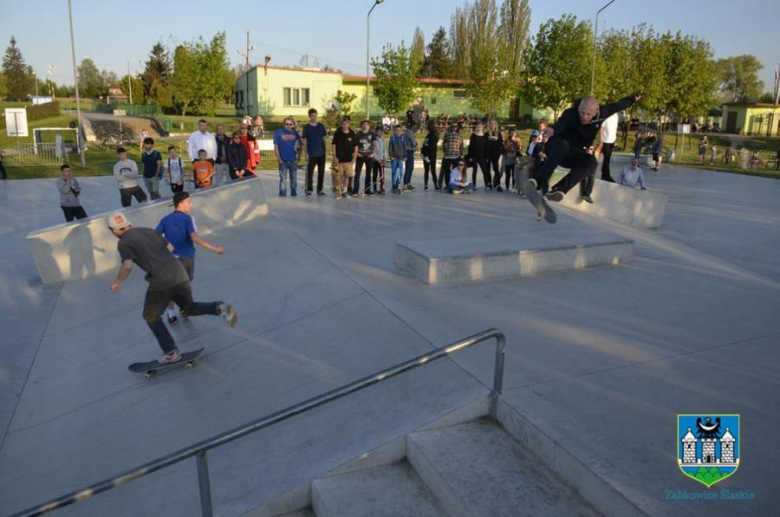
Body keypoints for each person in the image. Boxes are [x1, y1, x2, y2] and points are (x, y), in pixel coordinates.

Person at [107, 211, 236, 364]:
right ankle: (219, 307)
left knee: (151, 316)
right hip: (179, 270)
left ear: (113, 230)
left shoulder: (123, 243)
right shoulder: (148, 230)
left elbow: (127, 266)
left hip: (161, 279)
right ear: (128, 223)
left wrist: (117, 282)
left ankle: (170, 352)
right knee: (188, 308)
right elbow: (170, 247)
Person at [531, 94, 640, 204]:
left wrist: (633, 98)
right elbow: (561, 124)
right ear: (578, 108)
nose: (584, 117)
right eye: (582, 112)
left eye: (588, 114)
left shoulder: (603, 112)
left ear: (596, 111)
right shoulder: (571, 113)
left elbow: (619, 105)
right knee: (563, 144)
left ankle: (559, 189)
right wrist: (552, 130)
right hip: (556, 149)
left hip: (574, 155)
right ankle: (540, 180)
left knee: (591, 162)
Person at [156, 191, 225, 325]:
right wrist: (214, 248)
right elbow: (194, 237)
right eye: (189, 202)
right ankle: (185, 308)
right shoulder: (188, 219)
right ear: (180, 204)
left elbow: (155, 236)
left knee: (171, 286)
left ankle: (171, 313)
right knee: (185, 285)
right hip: (185, 258)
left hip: (169, 259)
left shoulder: (165, 219)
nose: (191, 205)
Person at [273, 117, 302, 197]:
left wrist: (298, 158)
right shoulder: (278, 132)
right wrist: (279, 159)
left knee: (294, 180)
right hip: (283, 161)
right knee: (283, 180)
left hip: (293, 161)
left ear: (292, 125)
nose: (288, 126)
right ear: (284, 124)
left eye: (290, 124)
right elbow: (276, 147)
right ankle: (282, 196)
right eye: (287, 124)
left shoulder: (295, 133)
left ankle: (294, 195)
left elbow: (300, 146)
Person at [302, 108, 327, 196]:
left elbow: (323, 138)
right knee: (310, 173)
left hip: (321, 153)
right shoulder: (306, 127)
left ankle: (320, 189)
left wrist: (325, 150)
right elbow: (305, 141)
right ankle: (309, 189)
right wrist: (306, 154)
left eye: (315, 115)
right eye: (312, 116)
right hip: (311, 154)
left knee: (321, 172)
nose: (314, 117)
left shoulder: (321, 126)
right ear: (309, 116)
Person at [331, 116, 358, 199]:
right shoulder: (338, 133)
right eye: (343, 124)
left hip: (349, 160)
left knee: (347, 176)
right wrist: (334, 156)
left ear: (349, 124)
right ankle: (337, 193)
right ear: (341, 124)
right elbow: (334, 145)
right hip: (339, 160)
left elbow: (356, 146)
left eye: (346, 123)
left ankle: (344, 192)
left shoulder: (352, 133)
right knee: (337, 177)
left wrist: (354, 158)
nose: (345, 125)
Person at [354, 120, 376, 196]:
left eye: (367, 124)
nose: (365, 125)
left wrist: (373, 153)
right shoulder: (358, 134)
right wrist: (357, 153)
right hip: (360, 156)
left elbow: (374, 144)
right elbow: (354, 145)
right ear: (361, 125)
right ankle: (355, 190)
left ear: (369, 125)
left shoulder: (372, 134)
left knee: (368, 174)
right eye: (364, 124)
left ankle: (368, 190)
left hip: (369, 156)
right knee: (357, 174)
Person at [440, 122, 464, 188]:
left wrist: (461, 153)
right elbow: (444, 143)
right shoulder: (447, 134)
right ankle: (447, 184)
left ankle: (455, 184)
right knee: (447, 171)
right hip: (448, 156)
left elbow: (462, 144)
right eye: (453, 127)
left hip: (456, 156)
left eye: (455, 127)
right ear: (451, 127)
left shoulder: (459, 134)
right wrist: (445, 152)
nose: (454, 128)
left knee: (455, 171)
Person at [468, 121, 490, 189]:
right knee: (475, 171)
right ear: (475, 127)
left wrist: (487, 157)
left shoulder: (485, 136)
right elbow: (470, 146)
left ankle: (486, 185)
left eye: (480, 127)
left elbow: (487, 147)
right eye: (477, 127)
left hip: (482, 156)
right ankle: (474, 185)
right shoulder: (473, 135)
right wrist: (470, 156)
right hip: (474, 156)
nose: (479, 128)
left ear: (482, 127)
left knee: (485, 171)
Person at [599, 113, 618, 182]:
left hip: (612, 140)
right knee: (606, 158)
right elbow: (601, 128)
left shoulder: (616, 115)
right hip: (605, 140)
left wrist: (615, 139)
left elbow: (615, 127)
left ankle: (604, 174)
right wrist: (601, 141)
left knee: (608, 158)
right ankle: (606, 175)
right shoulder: (606, 116)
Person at [486, 119, 504, 191]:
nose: (492, 125)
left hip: (496, 154)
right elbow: (485, 143)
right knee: (488, 170)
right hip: (488, 154)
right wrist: (489, 140)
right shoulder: (487, 133)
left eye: (494, 124)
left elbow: (500, 143)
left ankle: (497, 184)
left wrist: (495, 140)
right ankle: (489, 184)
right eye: (491, 124)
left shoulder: (498, 133)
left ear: (495, 125)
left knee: (496, 169)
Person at [388, 125, 407, 194]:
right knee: (394, 172)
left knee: (401, 173)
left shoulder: (403, 138)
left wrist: (405, 156)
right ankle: (394, 186)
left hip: (401, 158)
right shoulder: (392, 137)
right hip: (394, 158)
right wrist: (390, 156)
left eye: (399, 130)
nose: (398, 132)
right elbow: (390, 147)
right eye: (397, 130)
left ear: (401, 131)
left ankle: (398, 185)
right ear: (394, 131)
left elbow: (405, 147)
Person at [422, 120, 439, 190]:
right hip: (431, 155)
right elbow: (433, 147)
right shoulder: (434, 135)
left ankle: (426, 185)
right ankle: (435, 185)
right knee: (433, 171)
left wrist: (423, 154)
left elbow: (425, 145)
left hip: (426, 155)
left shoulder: (428, 136)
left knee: (426, 171)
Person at [402, 123, 417, 190]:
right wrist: (416, 143)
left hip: (407, 151)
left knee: (410, 168)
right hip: (409, 151)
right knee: (409, 168)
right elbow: (414, 143)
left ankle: (408, 183)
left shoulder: (405, 132)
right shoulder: (410, 132)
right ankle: (406, 183)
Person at [372, 126, 387, 195]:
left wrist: (384, 158)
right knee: (375, 174)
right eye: (379, 131)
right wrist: (376, 159)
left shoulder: (383, 140)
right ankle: (374, 188)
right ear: (376, 132)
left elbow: (384, 150)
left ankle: (382, 188)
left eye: (381, 131)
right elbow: (373, 151)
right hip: (375, 160)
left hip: (382, 160)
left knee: (382, 175)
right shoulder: (374, 140)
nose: (380, 133)